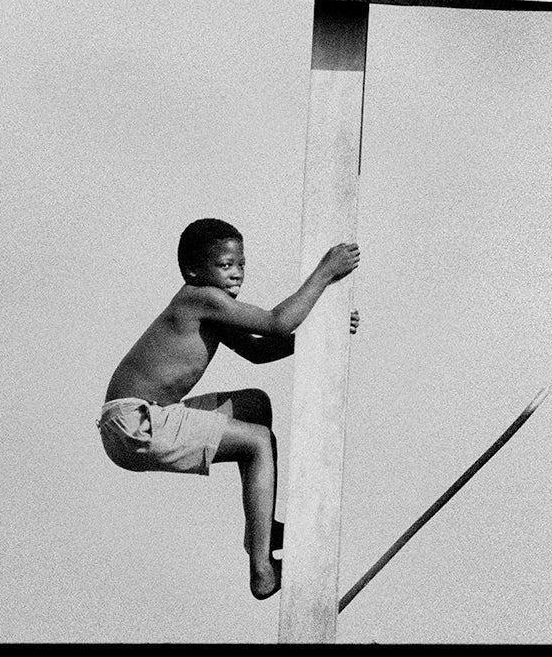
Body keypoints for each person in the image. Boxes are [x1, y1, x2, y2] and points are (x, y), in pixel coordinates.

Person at [98, 219, 359, 601]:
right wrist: (326, 270)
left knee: (255, 405)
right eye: (225, 265)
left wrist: (326, 331)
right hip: (134, 421)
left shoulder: (216, 307)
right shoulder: (199, 298)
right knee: (257, 442)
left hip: (147, 416)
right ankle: (262, 571)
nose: (236, 273)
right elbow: (277, 322)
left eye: (241, 264)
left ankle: (259, 532)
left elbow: (258, 351)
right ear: (195, 271)